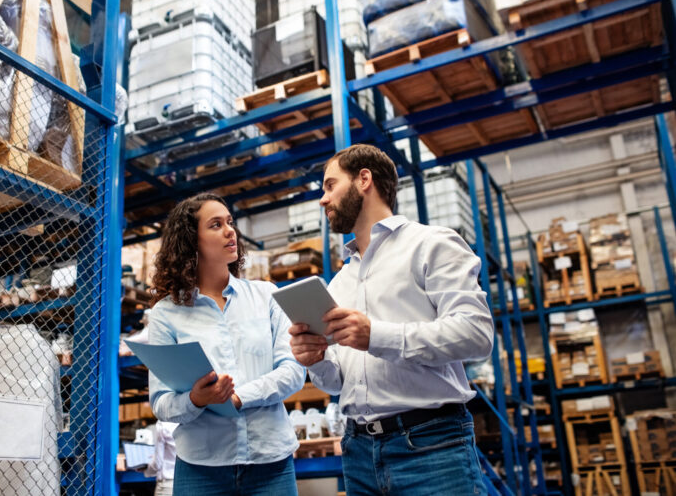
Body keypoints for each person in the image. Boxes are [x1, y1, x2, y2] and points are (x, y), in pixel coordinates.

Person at [288, 144, 494, 495]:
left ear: (364, 179)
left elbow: (476, 334)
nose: (322, 200)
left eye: (329, 186)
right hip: (358, 451)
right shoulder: (340, 283)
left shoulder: (431, 245)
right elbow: (338, 383)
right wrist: (317, 359)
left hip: (430, 446)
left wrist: (376, 335)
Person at [148, 193, 305, 495]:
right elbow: (161, 402)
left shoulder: (266, 296)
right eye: (216, 225)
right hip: (201, 469)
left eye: (230, 222)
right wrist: (196, 399)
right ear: (191, 241)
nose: (230, 230)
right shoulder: (166, 314)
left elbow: (292, 371)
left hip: (270, 463)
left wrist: (237, 398)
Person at [143, 421, 178, 496]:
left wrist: (146, 469)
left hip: (167, 486)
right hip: (187, 483)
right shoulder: (192, 422)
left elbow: (157, 464)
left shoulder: (163, 424)